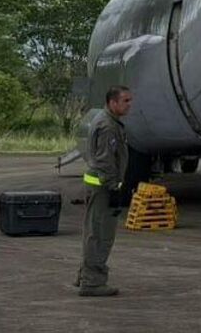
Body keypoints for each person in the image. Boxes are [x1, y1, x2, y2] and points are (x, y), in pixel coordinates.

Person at [75, 86, 131, 299]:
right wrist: (114, 186)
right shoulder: (108, 126)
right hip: (103, 187)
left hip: (99, 185)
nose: (129, 105)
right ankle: (92, 282)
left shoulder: (105, 120)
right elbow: (105, 160)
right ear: (112, 102)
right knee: (100, 235)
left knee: (93, 231)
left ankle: (85, 274)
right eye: (125, 100)